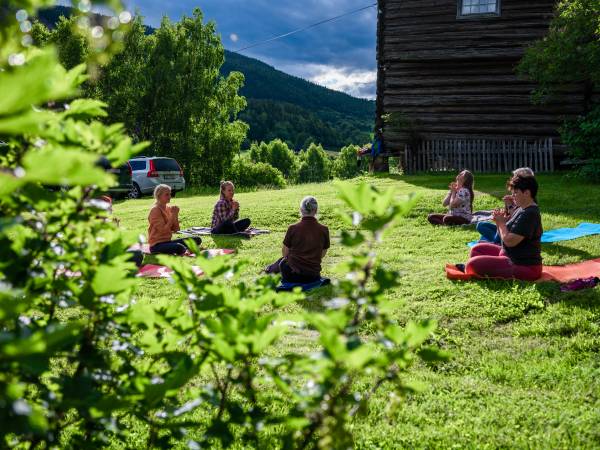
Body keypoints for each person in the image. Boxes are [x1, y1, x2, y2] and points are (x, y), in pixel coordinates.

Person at [463, 174, 543, 281]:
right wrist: (500, 221)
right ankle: (496, 265)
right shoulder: (522, 208)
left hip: (524, 266)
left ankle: (495, 266)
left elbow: (509, 241)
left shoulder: (530, 213)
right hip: (508, 254)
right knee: (477, 249)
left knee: (472, 265)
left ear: (527, 193)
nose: (513, 196)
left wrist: (501, 223)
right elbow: (505, 233)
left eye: (515, 193)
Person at [265, 196, 330, 283]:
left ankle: (269, 270)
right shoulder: (324, 229)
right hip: (313, 275)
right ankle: (270, 269)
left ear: (301, 210)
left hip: (293, 276)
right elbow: (322, 253)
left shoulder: (293, 228)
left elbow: (285, 253)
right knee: (284, 261)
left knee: (282, 262)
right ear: (316, 210)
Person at [476, 167, 535, 244]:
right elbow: (510, 216)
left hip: (511, 232)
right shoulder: (519, 196)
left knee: (479, 246)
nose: (513, 179)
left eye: (515, 177)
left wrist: (509, 207)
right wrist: (502, 214)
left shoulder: (527, 202)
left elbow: (517, 218)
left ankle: (494, 242)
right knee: (481, 225)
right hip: (507, 228)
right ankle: (493, 241)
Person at [148, 184, 201, 255]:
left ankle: (189, 249)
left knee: (196, 239)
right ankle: (187, 250)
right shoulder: (155, 210)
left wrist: (175, 215)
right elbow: (163, 231)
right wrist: (173, 215)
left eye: (170, 194)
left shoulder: (168, 209)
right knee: (178, 247)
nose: (170, 197)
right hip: (156, 245)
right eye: (167, 194)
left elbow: (176, 229)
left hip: (167, 242)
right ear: (159, 196)